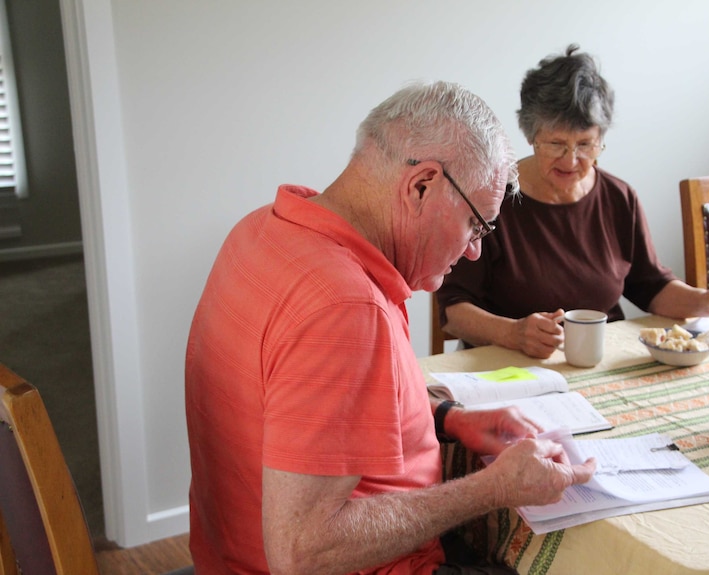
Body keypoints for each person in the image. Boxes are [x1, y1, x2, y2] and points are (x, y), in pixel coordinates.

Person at [185, 81, 597, 575]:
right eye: (476, 225)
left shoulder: (260, 230)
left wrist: (449, 418)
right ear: (421, 185)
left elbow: (323, 403)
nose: (474, 251)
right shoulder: (344, 306)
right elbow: (301, 553)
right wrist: (493, 488)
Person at [436, 45, 709, 360]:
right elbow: (454, 310)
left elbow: (652, 287)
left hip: (597, 363)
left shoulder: (619, 198)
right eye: (556, 144)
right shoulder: (493, 200)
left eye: (586, 144)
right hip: (512, 366)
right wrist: (513, 333)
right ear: (531, 136)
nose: (571, 160)